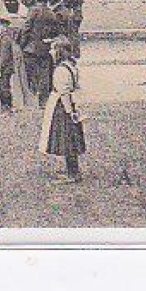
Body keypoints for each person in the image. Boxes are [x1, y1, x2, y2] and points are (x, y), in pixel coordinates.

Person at [39, 37, 86, 182]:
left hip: (62, 107)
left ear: (60, 51)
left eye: (53, 49)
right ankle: (73, 171)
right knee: (71, 139)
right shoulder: (71, 66)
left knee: (66, 140)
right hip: (70, 104)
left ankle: (72, 174)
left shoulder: (60, 70)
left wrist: (69, 111)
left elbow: (63, 92)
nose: (51, 52)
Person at [0, 13, 19, 112]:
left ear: (4, 26)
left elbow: (4, 56)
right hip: (1, 67)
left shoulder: (5, 39)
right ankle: (4, 106)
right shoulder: (1, 37)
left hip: (4, 68)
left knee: (3, 87)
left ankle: (7, 106)